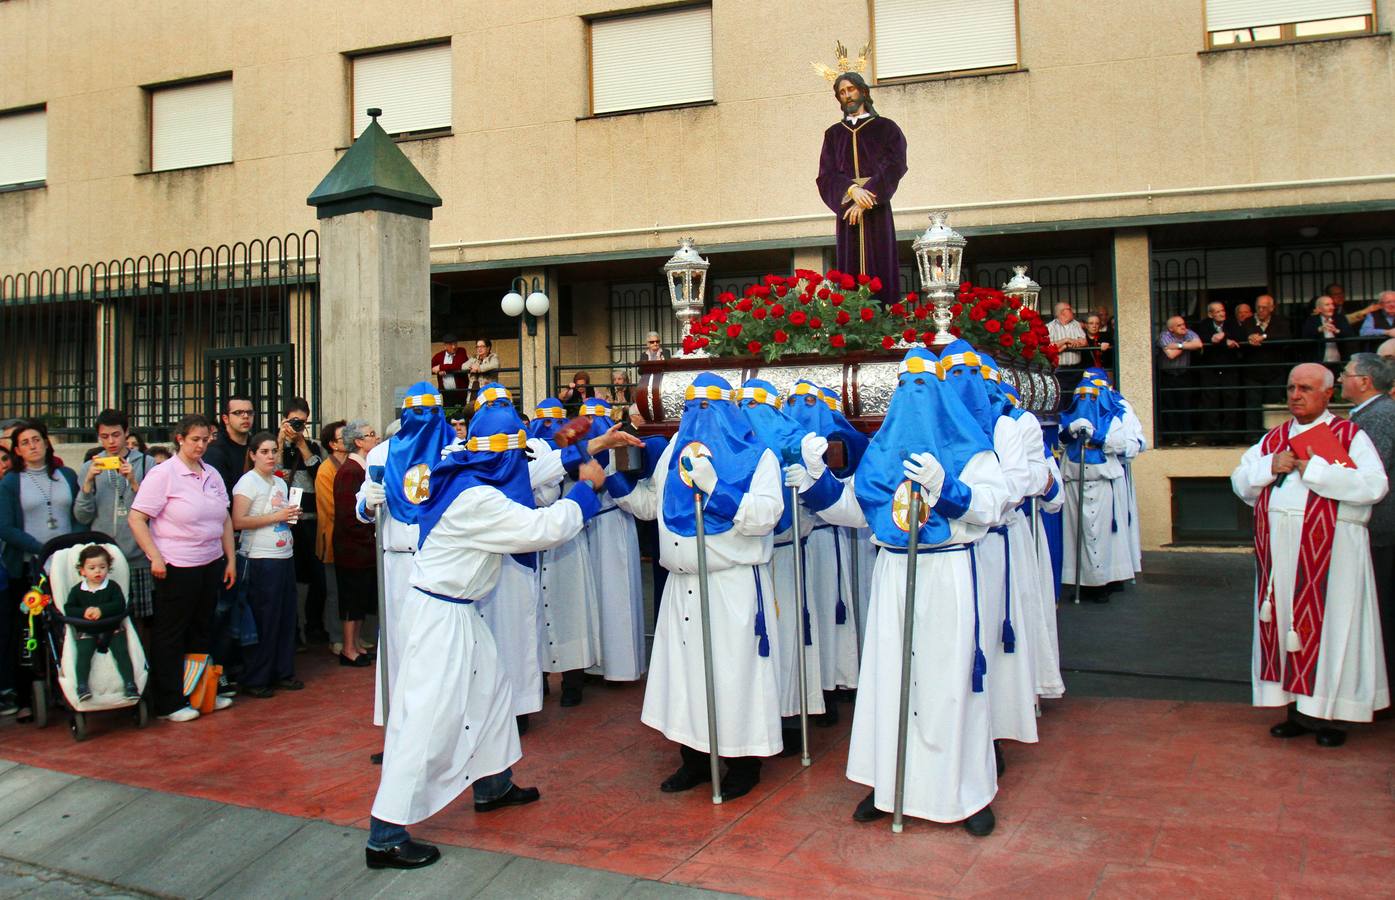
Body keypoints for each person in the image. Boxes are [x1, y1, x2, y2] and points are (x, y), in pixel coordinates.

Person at [363, 394, 609, 871]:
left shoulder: (465, 469)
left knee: (491, 698)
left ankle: (493, 785)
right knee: (427, 719)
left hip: (457, 611)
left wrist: (575, 450)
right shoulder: (476, 499)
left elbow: (528, 472)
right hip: (440, 617)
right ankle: (385, 833)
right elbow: (542, 528)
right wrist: (584, 489)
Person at [793, 347, 1009, 835]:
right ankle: (889, 784)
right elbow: (855, 509)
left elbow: (992, 506)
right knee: (890, 679)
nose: (914, 398)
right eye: (905, 388)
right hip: (892, 571)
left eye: (923, 387)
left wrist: (946, 487)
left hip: (945, 572)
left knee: (948, 682)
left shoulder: (974, 450)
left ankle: (964, 793)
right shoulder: (882, 452)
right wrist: (816, 479)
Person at [609, 373, 785, 800]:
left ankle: (743, 763)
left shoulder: (759, 455)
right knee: (687, 676)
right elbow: (651, 505)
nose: (698, 417)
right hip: (682, 585)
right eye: (690, 408)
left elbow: (767, 516)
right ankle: (694, 758)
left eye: (708, 407)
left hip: (731, 585)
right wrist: (610, 479)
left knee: (734, 675)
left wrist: (717, 489)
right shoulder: (674, 449)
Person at [1231, 363, 1390, 744]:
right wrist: (1271, 465)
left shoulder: (1349, 436)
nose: (1295, 395)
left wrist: (1313, 468)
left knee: (1334, 625)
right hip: (1281, 552)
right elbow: (1239, 480)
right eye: (1291, 388)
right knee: (1286, 623)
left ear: (1328, 394)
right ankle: (1297, 711)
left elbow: (1374, 486)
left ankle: (1333, 716)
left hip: (1334, 553)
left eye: (1305, 388)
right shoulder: (1274, 439)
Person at [937, 343, 1037, 765]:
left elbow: (1015, 486)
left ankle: (991, 732)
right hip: (946, 547)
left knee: (989, 638)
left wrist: (967, 496)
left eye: (971, 375)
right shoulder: (935, 421)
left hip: (991, 543)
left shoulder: (1003, 426)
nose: (963, 385)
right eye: (953, 375)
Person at [356, 384, 454, 739]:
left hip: (440, 560)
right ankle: (399, 731)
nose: (425, 420)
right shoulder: (381, 454)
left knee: (438, 647)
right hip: (397, 563)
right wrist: (368, 502)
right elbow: (361, 511)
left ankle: (440, 731)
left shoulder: (454, 451)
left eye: (432, 412)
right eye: (418, 413)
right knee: (398, 644)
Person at [127, 414, 237, 723]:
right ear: (180, 439)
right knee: (172, 633)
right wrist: (155, 556)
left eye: (205, 440)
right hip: (177, 564)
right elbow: (137, 518)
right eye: (194, 440)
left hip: (210, 561)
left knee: (202, 629)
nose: (200, 445)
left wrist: (230, 559)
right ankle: (169, 701)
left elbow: (225, 518)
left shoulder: (212, 473)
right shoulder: (163, 474)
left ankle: (200, 692)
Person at [738, 378, 824, 745]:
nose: (750, 415)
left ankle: (790, 715)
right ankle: (758, 715)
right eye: (743, 407)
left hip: (787, 555)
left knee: (789, 636)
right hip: (749, 558)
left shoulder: (797, 441)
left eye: (757, 407)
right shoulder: (735, 445)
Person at [783, 381, 867, 725]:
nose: (800, 409)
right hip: (793, 543)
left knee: (828, 611)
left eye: (809, 402)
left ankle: (831, 684)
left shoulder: (839, 443)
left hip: (826, 539)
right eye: (792, 401)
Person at [0, 420, 80, 719]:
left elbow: (78, 516)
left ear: (46, 442)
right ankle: (26, 697)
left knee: (66, 626)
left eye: (36, 439)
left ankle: (67, 688)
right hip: (29, 567)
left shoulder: (66, 475)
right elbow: (5, 527)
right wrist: (40, 548)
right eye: (25, 442)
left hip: (66, 564)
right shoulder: (11, 482)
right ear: (18, 450)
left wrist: (72, 546)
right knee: (28, 630)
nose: (32, 446)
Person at [526, 397, 602, 708]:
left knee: (570, 611)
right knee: (533, 615)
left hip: (566, 542)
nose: (552, 428)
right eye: (545, 422)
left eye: (558, 422)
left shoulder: (576, 452)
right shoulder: (526, 451)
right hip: (531, 541)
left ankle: (573, 681)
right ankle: (539, 679)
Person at [815, 69, 906, 303]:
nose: (847, 95)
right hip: (848, 213)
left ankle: (885, 318)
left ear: (863, 91)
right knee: (850, 272)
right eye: (842, 92)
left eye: (851, 89)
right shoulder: (833, 135)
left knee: (880, 265)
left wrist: (868, 197)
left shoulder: (886, 128)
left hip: (877, 209)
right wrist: (852, 191)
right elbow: (826, 176)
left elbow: (895, 165)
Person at [230, 432, 303, 698]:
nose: (271, 456)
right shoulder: (248, 482)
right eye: (264, 452)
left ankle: (282, 670)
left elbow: (281, 516)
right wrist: (276, 516)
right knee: (264, 618)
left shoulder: (279, 482)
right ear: (252, 455)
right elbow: (238, 521)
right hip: (260, 557)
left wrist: (289, 516)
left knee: (285, 616)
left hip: (284, 554)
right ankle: (257, 676)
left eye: (274, 451)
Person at [75, 410, 154, 642]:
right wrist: (88, 483)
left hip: (137, 555)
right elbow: (82, 516)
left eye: (116, 435)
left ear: (126, 432)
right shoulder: (89, 466)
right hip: (103, 558)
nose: (111, 441)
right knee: (106, 619)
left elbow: (152, 512)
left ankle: (141, 665)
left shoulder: (146, 463)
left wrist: (133, 482)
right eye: (104, 436)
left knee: (140, 621)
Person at [1343, 354, 1395, 695]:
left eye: (1346, 373)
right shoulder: (1371, 413)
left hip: (1381, 528)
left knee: (1382, 612)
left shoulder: (1380, 416)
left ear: (1364, 381)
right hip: (1379, 527)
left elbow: (1368, 471)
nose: (1341, 378)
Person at [1060, 378, 1136, 602]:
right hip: (1075, 484)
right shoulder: (1067, 418)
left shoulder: (1112, 419)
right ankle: (1082, 583)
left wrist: (1099, 437)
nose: (1086, 402)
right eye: (1081, 397)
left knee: (1103, 537)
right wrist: (1070, 431)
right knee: (1078, 537)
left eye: (1091, 397)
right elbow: (1059, 442)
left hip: (1102, 484)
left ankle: (1103, 582)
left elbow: (1125, 445)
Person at [275, 398, 326, 646]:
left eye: (302, 422)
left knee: (319, 578)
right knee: (290, 579)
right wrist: (280, 442)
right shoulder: (273, 445)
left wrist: (302, 444)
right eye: (293, 421)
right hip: (285, 521)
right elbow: (272, 473)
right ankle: (293, 632)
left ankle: (314, 626)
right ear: (283, 420)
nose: (297, 426)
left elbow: (319, 475)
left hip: (311, 520)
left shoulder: (312, 446)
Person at [332, 420, 379, 666]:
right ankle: (348, 647)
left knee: (361, 599)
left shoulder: (361, 469)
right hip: (353, 549)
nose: (376, 438)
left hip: (362, 550)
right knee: (351, 600)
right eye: (371, 434)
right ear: (358, 441)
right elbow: (347, 515)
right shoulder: (350, 471)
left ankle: (357, 644)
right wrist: (369, 537)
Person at [66, 545, 139, 702]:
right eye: (92, 568)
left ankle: (130, 684)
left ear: (108, 568)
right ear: (82, 571)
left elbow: (119, 604)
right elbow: (69, 609)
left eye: (102, 567)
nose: (97, 571)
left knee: (122, 653)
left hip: (112, 629)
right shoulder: (77, 591)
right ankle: (82, 685)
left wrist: (102, 610)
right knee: (83, 655)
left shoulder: (112, 587)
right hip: (87, 631)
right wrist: (84, 612)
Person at [314, 420, 347, 649]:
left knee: (350, 590)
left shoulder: (354, 463)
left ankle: (351, 636)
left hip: (352, 538)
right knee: (335, 592)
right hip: (334, 538)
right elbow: (331, 508)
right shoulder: (326, 470)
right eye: (344, 436)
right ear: (333, 444)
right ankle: (336, 637)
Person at [1197, 301, 1245, 443]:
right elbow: (1202, 338)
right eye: (1217, 312)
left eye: (1222, 310)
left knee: (1230, 401)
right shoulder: (1204, 324)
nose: (1221, 314)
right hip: (1210, 369)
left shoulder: (1231, 323)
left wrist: (1223, 336)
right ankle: (1214, 436)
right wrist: (1224, 341)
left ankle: (1229, 436)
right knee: (1211, 402)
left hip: (1229, 369)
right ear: (1210, 314)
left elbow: (1240, 335)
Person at [1156, 316, 1203, 444]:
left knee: (1185, 406)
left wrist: (1179, 345)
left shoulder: (1188, 333)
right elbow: (1170, 355)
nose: (1183, 327)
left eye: (1183, 324)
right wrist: (1188, 345)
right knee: (1170, 407)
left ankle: (1187, 437)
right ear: (1171, 329)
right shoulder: (1164, 336)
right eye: (1179, 325)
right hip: (1167, 375)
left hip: (1184, 374)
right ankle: (1172, 438)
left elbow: (1198, 344)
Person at [1240, 294, 1292, 406]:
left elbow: (1286, 337)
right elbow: (1239, 339)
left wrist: (1264, 337)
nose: (1260, 310)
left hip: (1275, 371)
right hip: (1252, 373)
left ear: (1271, 308)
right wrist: (1249, 338)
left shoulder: (1280, 321)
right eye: (1258, 307)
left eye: (1264, 307)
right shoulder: (1247, 322)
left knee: (1273, 406)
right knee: (1253, 406)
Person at [204, 394, 255, 496]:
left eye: (249, 412)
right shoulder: (215, 451)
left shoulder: (256, 445)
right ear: (225, 418)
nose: (245, 416)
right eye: (238, 413)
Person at [1301, 295, 1357, 368]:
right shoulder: (1312, 320)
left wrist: (1336, 331)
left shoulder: (1340, 318)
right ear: (1319, 308)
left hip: (1339, 362)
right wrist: (1319, 329)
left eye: (1332, 304)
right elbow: (1305, 336)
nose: (1331, 307)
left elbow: (1350, 335)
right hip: (1319, 363)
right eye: (1327, 305)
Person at [1046, 302, 1088, 388]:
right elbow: (1048, 346)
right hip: (1058, 370)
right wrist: (1066, 340)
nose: (1072, 311)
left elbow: (1084, 342)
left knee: (1075, 393)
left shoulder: (1076, 324)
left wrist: (1066, 346)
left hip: (1075, 369)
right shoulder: (1050, 327)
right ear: (1062, 312)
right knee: (1061, 393)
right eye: (1069, 309)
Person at [430, 334, 468, 408]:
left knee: (462, 411)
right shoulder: (439, 356)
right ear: (445, 346)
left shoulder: (461, 351)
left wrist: (441, 367)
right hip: (446, 393)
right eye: (450, 344)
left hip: (461, 391)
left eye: (455, 344)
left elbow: (459, 365)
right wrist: (438, 371)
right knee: (448, 411)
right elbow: (430, 367)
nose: (454, 347)